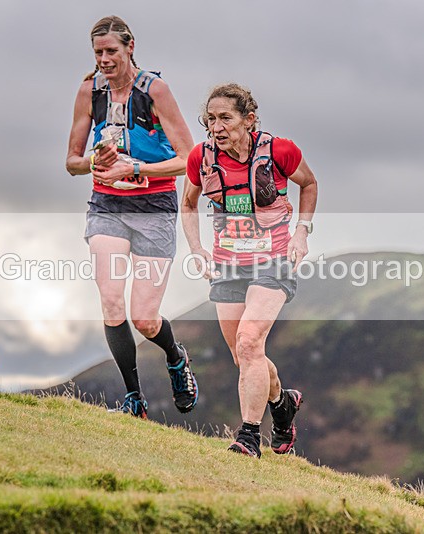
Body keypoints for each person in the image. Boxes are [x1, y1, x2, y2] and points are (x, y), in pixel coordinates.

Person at [66, 15, 198, 419]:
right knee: (110, 300)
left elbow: (189, 160)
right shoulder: (89, 90)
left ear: (130, 47)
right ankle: (134, 397)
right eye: (97, 53)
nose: (104, 60)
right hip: (107, 205)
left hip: (155, 207)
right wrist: (95, 161)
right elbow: (72, 162)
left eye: (111, 51)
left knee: (144, 316)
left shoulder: (155, 90)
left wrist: (136, 169)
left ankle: (176, 359)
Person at [182, 83, 318, 457]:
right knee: (244, 356)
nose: (216, 126)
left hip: (273, 259)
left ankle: (248, 437)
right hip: (228, 263)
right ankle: (282, 403)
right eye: (210, 119)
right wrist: (197, 249)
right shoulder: (201, 158)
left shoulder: (280, 151)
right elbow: (189, 204)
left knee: (249, 342)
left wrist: (301, 233)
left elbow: (308, 183)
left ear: (249, 119)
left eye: (225, 118)